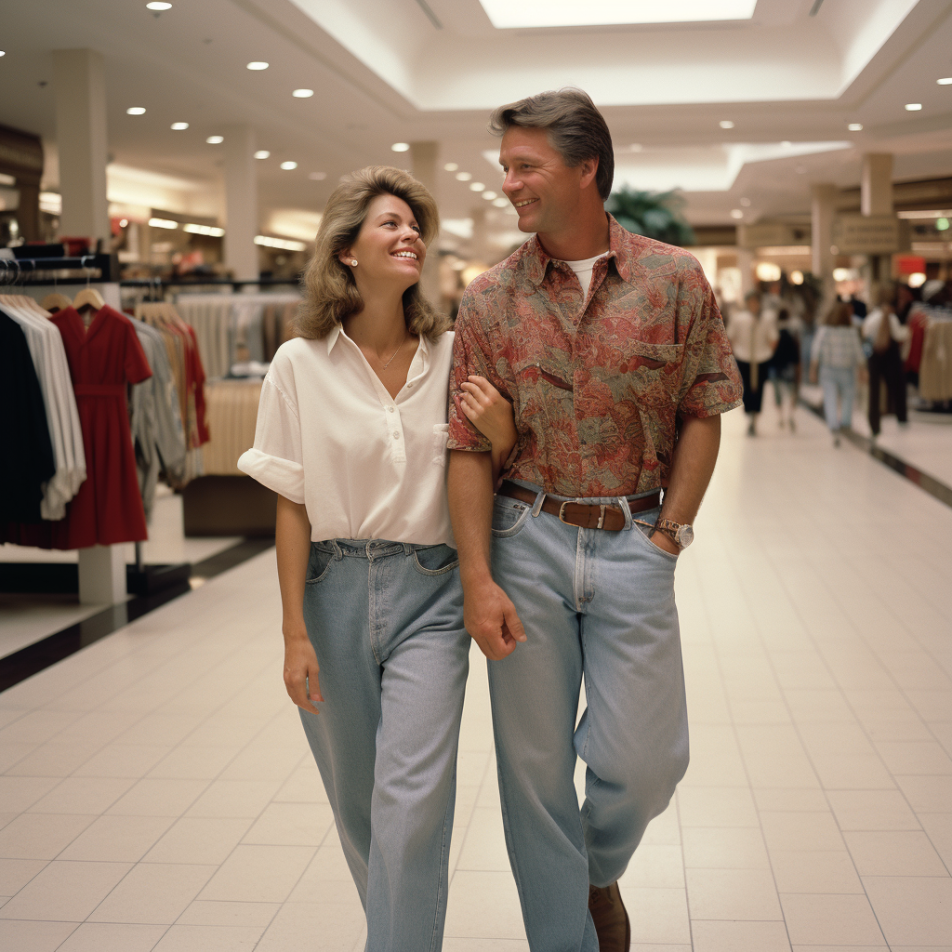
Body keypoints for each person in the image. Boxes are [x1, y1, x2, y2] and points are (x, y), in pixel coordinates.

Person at [445, 89, 743, 952]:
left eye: (525, 166)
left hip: (634, 541)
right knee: (533, 774)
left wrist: (669, 536)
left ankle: (591, 870)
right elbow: (466, 447)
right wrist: (477, 579)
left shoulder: (673, 279)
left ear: (587, 168)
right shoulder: (489, 299)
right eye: (505, 167)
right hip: (524, 537)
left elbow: (705, 409)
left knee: (650, 761)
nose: (509, 184)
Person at [237, 166, 515, 951]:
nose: (410, 237)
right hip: (332, 593)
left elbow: (497, 463)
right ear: (347, 249)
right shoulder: (299, 364)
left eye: (416, 226)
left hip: (431, 592)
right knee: (360, 808)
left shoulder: (456, 353)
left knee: (412, 802)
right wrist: (293, 632)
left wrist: (500, 431)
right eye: (391, 224)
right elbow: (290, 503)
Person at [809, 299, 866, 445]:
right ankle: (845, 422)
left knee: (830, 398)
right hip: (846, 370)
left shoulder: (824, 330)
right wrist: (862, 370)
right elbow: (858, 352)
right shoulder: (851, 332)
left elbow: (816, 350)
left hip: (828, 369)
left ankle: (833, 425)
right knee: (848, 397)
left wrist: (813, 369)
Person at [725, 290, 779, 435]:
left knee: (759, 387)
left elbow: (773, 337)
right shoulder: (739, 318)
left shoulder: (767, 318)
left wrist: (768, 351)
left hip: (761, 358)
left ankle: (755, 415)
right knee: (746, 387)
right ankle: (749, 412)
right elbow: (730, 336)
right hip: (744, 357)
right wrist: (734, 353)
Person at [863, 285, 910, 437]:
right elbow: (898, 335)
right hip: (891, 357)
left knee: (874, 392)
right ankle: (901, 417)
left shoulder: (871, 318)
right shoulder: (892, 318)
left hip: (874, 357)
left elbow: (866, 335)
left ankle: (874, 423)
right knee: (897, 387)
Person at [767, 307, 802, 431]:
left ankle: (780, 417)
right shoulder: (792, 333)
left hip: (775, 366)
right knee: (791, 391)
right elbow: (796, 352)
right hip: (788, 366)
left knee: (777, 394)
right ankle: (790, 415)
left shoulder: (774, 332)